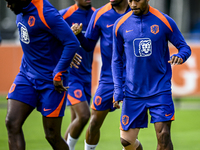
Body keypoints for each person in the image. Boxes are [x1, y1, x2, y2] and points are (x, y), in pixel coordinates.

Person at [112, 0, 191, 150]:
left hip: (159, 89)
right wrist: (117, 89)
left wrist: (180, 56)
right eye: (130, 0)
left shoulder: (164, 21)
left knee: (163, 136)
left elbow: (184, 47)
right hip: (132, 91)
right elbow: (116, 60)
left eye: (137, 0)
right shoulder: (120, 25)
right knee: (126, 141)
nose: (133, 4)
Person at [4, 0, 80, 149]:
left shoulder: (46, 12)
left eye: (10, 1)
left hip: (51, 82)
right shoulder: (19, 9)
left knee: (51, 135)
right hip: (26, 74)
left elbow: (71, 43)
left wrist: (59, 71)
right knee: (12, 123)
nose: (8, 5)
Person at [70, 0, 143, 150]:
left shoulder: (137, 11)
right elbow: (89, 45)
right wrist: (78, 36)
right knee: (94, 122)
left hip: (134, 80)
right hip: (108, 79)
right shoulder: (100, 14)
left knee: (127, 141)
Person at [59, 1, 95, 150]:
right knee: (84, 115)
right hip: (71, 75)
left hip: (87, 75)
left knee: (77, 120)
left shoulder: (96, 15)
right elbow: (50, 40)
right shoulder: (63, 16)